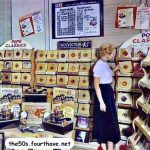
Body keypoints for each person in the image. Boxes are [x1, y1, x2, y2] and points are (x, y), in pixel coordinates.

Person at [92, 43, 121, 150]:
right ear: (107, 54)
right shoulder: (98, 65)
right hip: (103, 95)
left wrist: (114, 70)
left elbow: (106, 77)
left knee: (108, 123)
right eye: (112, 53)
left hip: (107, 93)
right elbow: (96, 85)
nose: (113, 55)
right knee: (106, 123)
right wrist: (102, 102)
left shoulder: (104, 63)